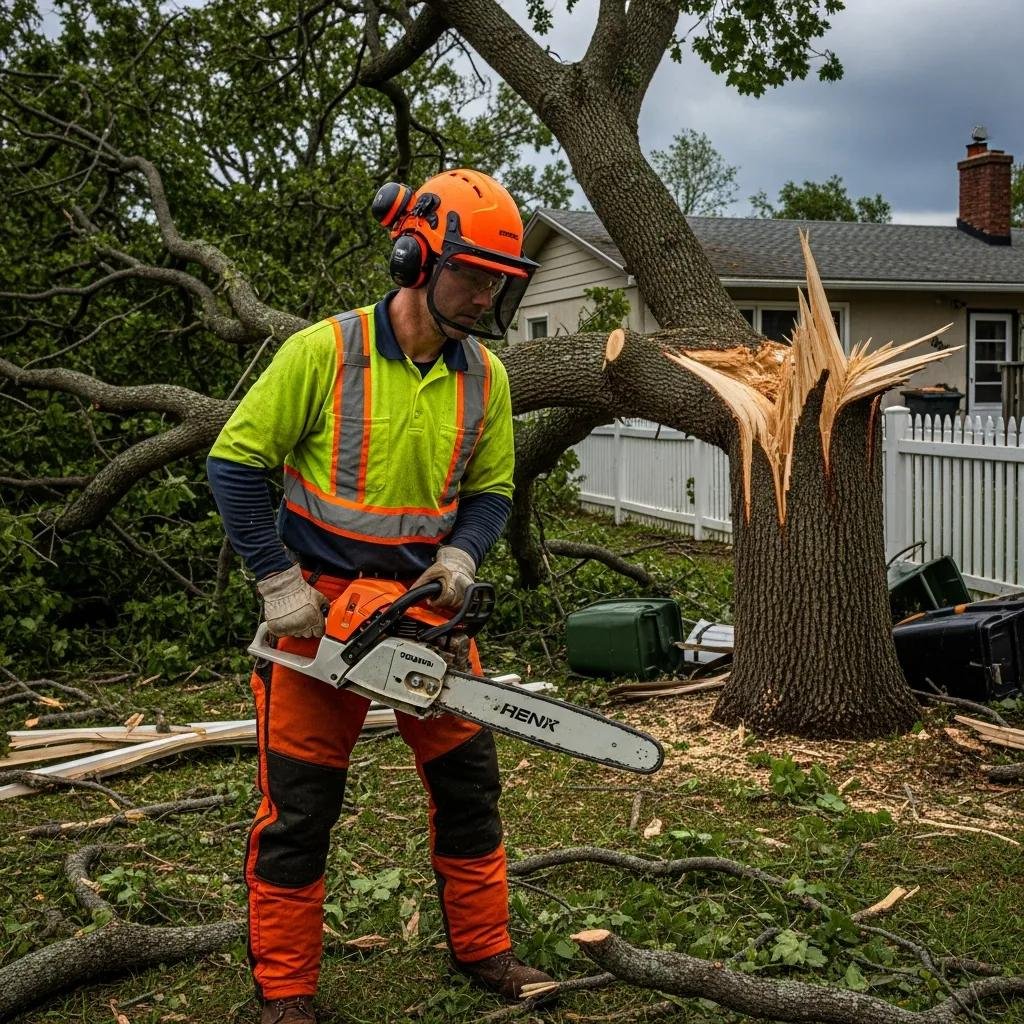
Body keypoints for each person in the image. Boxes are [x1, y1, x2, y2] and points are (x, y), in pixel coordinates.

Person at [207, 169, 550, 1024]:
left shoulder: (488, 379)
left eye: (497, 282)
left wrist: (464, 558)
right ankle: (286, 992)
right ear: (414, 255)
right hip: (319, 618)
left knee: (471, 789)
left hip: (428, 612)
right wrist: (277, 582)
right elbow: (235, 462)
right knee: (300, 808)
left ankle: (485, 949)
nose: (483, 295)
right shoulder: (325, 352)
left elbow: (492, 491)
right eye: (470, 274)